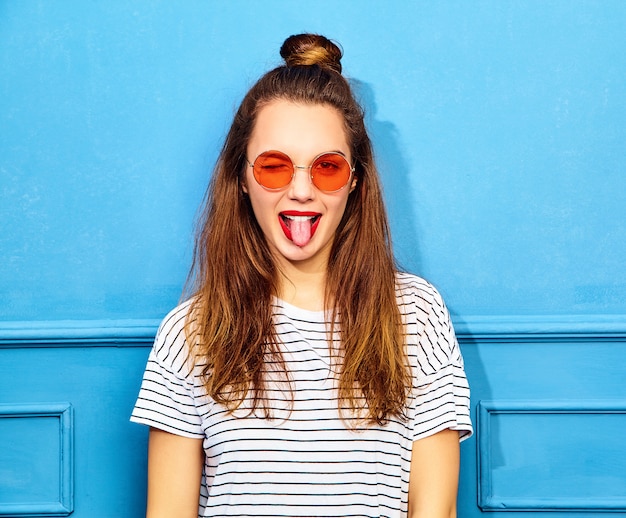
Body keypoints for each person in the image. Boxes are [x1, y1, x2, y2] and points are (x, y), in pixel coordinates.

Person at [131, 33, 472, 518]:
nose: (301, 190)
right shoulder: (189, 333)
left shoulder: (416, 315)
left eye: (327, 168)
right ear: (242, 178)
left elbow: (435, 511)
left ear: (354, 180)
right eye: (274, 166)